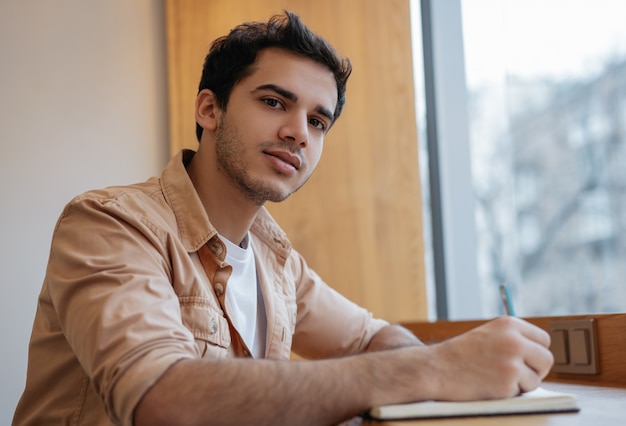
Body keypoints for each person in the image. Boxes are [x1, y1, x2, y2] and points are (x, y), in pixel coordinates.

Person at [13, 11, 554, 426]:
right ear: (210, 109)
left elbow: (373, 338)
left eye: (318, 120)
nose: (300, 132)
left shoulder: (277, 261)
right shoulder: (109, 223)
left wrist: (440, 367)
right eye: (275, 102)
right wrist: (432, 369)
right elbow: (163, 399)